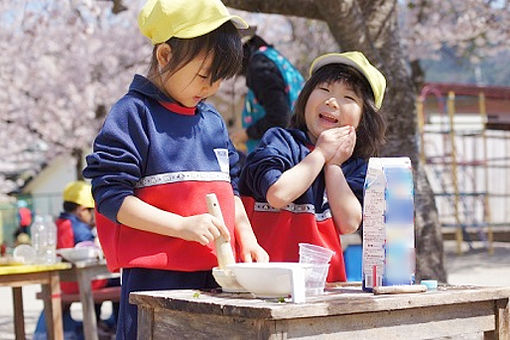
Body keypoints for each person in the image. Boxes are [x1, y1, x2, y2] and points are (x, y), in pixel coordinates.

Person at [82, 1, 268, 339]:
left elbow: (232, 189)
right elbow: (111, 197)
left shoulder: (211, 120)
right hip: (157, 282)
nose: (210, 88)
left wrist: (248, 238)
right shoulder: (133, 114)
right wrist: (181, 225)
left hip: (219, 276)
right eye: (203, 76)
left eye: (219, 80)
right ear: (165, 56)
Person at [239, 51, 387, 283]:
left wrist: (334, 166)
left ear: (363, 119)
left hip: (325, 288)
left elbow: (349, 223)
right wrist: (320, 154)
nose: (332, 102)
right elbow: (278, 194)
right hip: (264, 283)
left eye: (348, 98)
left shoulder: (355, 166)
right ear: (305, 98)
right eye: (325, 90)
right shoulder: (279, 141)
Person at [230, 33, 305, 153]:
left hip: (276, 151)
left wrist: (247, 133)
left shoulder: (259, 66)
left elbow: (279, 116)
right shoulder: (274, 57)